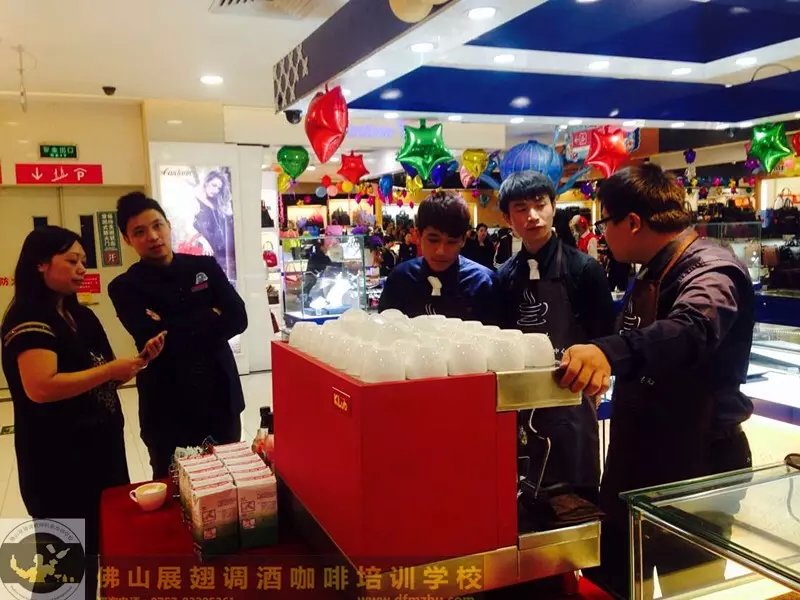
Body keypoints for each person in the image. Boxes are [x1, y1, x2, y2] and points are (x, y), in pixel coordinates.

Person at [558, 164, 755, 598]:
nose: (602, 234)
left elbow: (691, 330)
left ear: (632, 222)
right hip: (640, 455)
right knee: (617, 580)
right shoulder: (652, 268)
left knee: (689, 585)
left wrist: (609, 352)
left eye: (604, 223)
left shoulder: (711, 271)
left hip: (695, 463)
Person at [1, 226, 165, 594]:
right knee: (64, 571)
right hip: (58, 462)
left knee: (100, 551)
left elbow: (97, 376)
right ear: (41, 264)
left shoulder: (81, 316)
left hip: (101, 455)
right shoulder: (29, 319)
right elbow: (41, 387)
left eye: (84, 262)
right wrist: (109, 371)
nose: (81, 269)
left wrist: (132, 365)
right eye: (72, 260)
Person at [109, 192, 248, 478]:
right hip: (166, 405)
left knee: (228, 481)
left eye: (157, 225)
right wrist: (211, 315)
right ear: (127, 239)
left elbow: (238, 318)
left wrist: (168, 322)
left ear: (168, 225)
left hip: (221, 396)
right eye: (139, 232)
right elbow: (151, 335)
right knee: (173, 485)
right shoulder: (124, 287)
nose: (153, 236)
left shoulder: (205, 267)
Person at [496, 171, 615, 504]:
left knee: (577, 500)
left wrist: (597, 385)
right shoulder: (504, 277)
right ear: (507, 218)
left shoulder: (585, 270)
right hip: (520, 406)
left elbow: (604, 338)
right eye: (521, 208)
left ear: (553, 206)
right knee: (523, 498)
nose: (532, 216)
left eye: (540, 204)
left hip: (573, 403)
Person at [379, 190, 499, 323]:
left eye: (451, 242)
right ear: (419, 236)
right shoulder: (400, 280)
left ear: (463, 240)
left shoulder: (483, 283)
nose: (441, 251)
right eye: (433, 240)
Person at [194, 169, 236, 279]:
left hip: (221, 252)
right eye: (214, 185)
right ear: (206, 182)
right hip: (205, 251)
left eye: (219, 188)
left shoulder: (217, 202)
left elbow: (228, 222)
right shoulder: (195, 201)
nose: (216, 190)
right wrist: (203, 240)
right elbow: (189, 226)